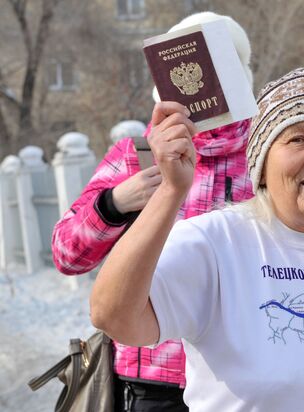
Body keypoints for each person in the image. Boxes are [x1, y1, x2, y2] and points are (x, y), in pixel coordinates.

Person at [90, 68, 304, 411]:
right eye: (298, 139)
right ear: (261, 164)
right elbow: (113, 316)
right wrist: (171, 190)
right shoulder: (215, 242)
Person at [51, 11, 255, 411]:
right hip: (152, 383)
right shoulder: (136, 156)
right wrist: (115, 203)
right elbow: (66, 254)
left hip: (242, 376)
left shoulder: (267, 157)